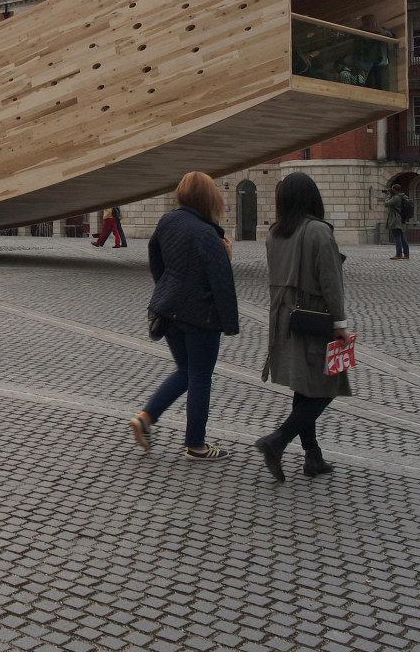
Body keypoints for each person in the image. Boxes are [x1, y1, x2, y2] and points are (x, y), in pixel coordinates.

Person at [128, 171, 239, 461]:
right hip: (200, 316)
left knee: (186, 371)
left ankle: (146, 417)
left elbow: (155, 260)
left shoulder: (168, 221)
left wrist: (166, 289)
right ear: (209, 198)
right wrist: (229, 322)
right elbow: (221, 280)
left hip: (169, 310)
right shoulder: (206, 233)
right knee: (199, 377)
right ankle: (196, 445)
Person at [255, 172, 354, 482]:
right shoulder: (319, 232)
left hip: (284, 318)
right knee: (328, 386)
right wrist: (339, 323)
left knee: (304, 387)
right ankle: (278, 440)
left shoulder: (274, 233)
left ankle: (313, 457)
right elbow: (331, 282)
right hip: (314, 317)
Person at [382, 183, 410, 260]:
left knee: (397, 237)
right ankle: (406, 254)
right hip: (401, 219)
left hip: (396, 219)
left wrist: (388, 195)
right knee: (402, 237)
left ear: (394, 190)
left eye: (392, 189)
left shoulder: (396, 197)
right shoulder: (403, 196)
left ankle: (399, 254)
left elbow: (386, 204)